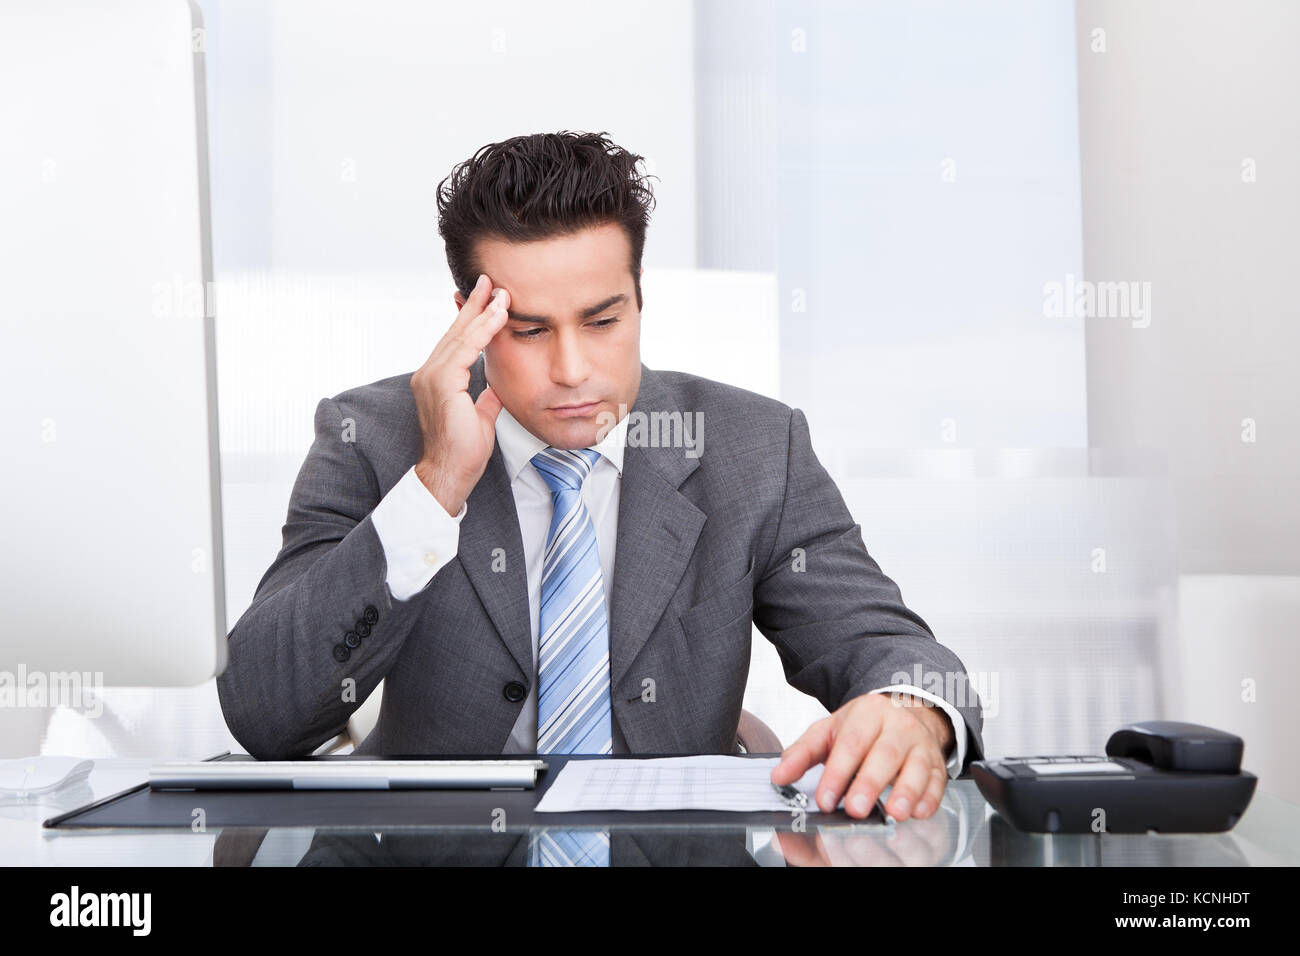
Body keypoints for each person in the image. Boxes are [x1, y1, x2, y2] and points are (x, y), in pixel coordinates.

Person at [216, 130, 984, 823]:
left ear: (641, 300)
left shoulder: (754, 447)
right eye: (528, 330)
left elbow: (885, 643)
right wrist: (436, 485)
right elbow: (264, 710)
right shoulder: (371, 437)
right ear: (469, 319)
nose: (573, 370)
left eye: (602, 320)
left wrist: (912, 709)